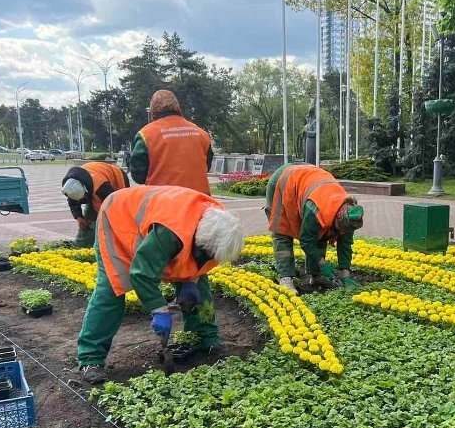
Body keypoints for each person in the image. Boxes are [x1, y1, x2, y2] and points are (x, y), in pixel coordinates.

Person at [76, 186, 244, 384]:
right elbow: (141, 273)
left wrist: (191, 281)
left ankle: (205, 339)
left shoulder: (221, 225)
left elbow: (200, 259)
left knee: (200, 289)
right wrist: (159, 310)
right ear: (201, 241)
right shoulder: (171, 233)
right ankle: (91, 359)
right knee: (111, 292)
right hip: (119, 221)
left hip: (166, 224)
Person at [264, 163, 364, 294]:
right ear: (336, 218)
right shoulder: (316, 210)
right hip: (283, 182)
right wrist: (323, 265)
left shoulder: (349, 214)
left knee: (323, 234)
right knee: (282, 232)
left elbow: (345, 245)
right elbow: (307, 240)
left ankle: (316, 276)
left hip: (307, 182)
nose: (342, 234)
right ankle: (285, 277)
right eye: (340, 231)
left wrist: (346, 276)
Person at [129, 90, 213, 193]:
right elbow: (207, 166)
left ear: (152, 109)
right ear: (177, 107)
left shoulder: (146, 135)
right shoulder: (201, 134)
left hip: (165, 202)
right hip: (199, 202)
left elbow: (138, 175)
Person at [61, 162, 130, 247]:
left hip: (117, 178)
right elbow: (72, 201)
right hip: (93, 183)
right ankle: (82, 247)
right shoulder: (71, 185)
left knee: (114, 220)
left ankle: (119, 246)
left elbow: (115, 206)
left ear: (86, 191)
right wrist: (79, 217)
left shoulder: (102, 187)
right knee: (88, 222)